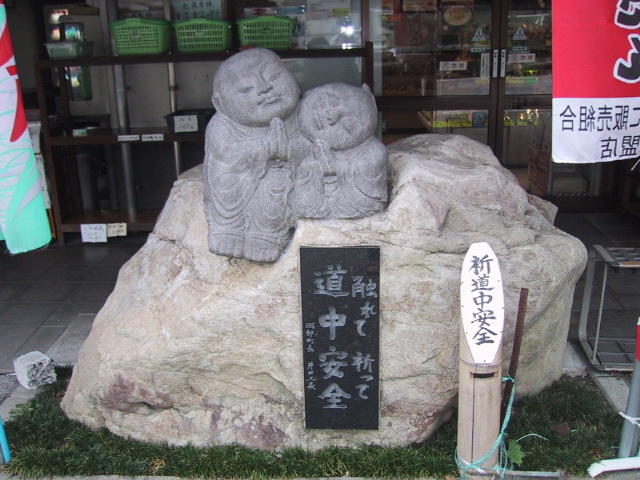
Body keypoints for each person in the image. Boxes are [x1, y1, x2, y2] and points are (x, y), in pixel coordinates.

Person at [203, 49, 302, 263]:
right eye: (246, 88)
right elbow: (226, 154)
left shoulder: (303, 115)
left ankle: (267, 235)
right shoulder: (222, 125)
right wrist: (267, 147)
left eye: (274, 77)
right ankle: (228, 227)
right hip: (235, 194)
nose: (265, 88)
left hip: (279, 187)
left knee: (278, 182)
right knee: (224, 174)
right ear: (220, 104)